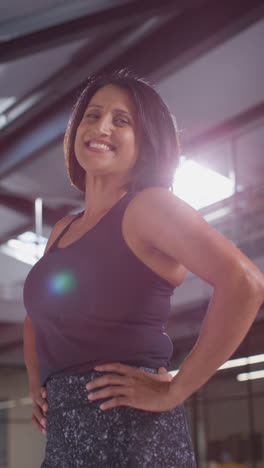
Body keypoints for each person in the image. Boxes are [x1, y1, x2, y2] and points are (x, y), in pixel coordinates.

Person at [23, 69, 264, 468]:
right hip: (64, 437)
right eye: (92, 115)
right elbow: (37, 317)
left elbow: (244, 283)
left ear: (147, 142)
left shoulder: (148, 207)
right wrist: (38, 384)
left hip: (131, 434)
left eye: (122, 121)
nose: (101, 126)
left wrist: (176, 389)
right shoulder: (64, 229)